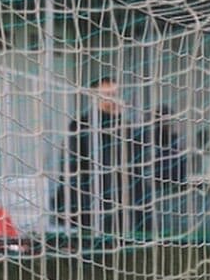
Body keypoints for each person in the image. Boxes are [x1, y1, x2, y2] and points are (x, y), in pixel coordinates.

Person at [53, 76, 133, 235]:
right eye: (107, 95)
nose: (113, 100)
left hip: (119, 203)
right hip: (88, 203)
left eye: (115, 94)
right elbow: (71, 167)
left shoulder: (126, 128)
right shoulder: (80, 125)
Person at [131, 105, 189, 235]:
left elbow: (179, 170)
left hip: (164, 190)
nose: (169, 123)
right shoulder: (144, 139)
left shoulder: (172, 140)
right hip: (151, 190)